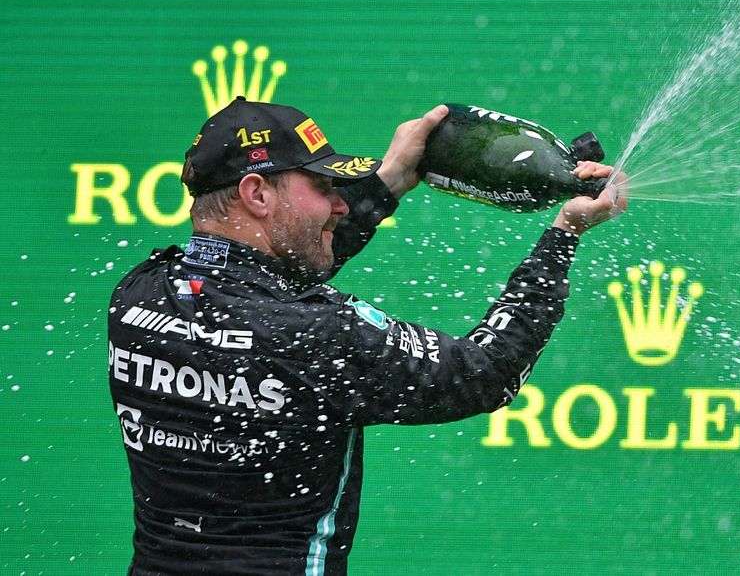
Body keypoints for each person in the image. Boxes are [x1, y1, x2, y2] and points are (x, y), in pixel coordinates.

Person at [108, 97, 626, 575]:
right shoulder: (317, 334)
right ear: (257, 193)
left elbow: (271, 285)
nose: (338, 205)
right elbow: (486, 373)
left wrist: (392, 179)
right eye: (323, 188)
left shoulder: (137, 297)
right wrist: (563, 236)